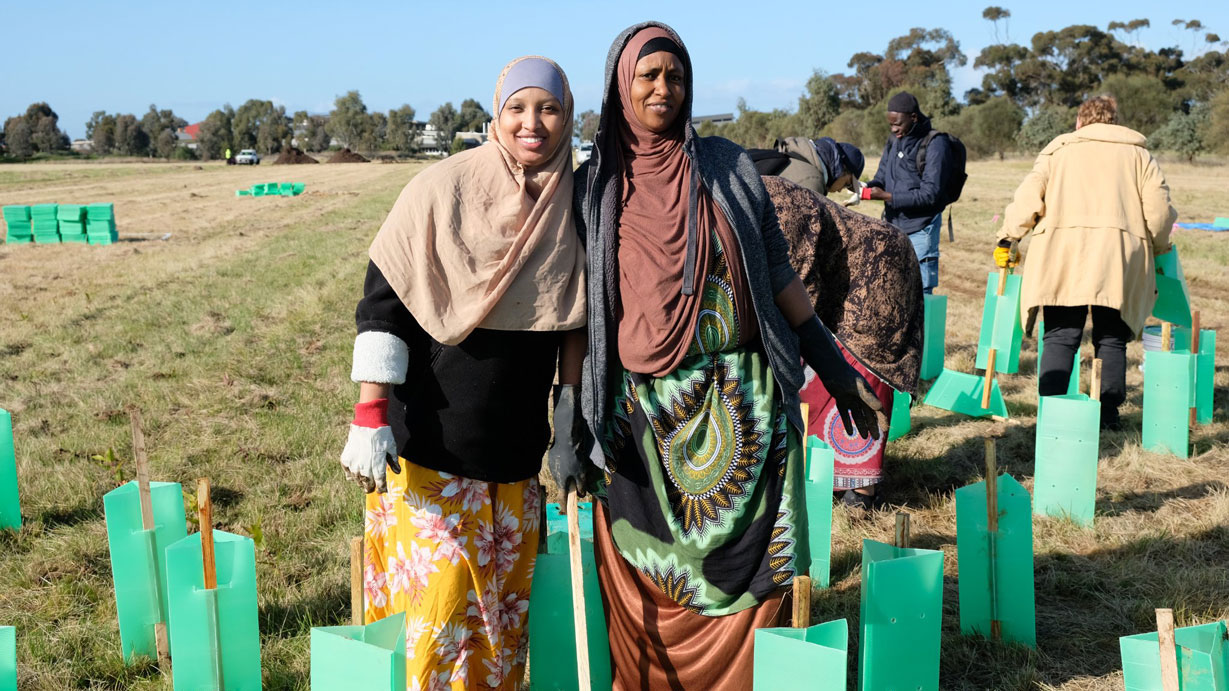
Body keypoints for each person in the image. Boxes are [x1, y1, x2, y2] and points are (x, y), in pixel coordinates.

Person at [573, 22, 881, 689]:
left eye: (674, 75)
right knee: (643, 572)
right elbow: (574, 311)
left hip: (745, 406)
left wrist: (832, 365)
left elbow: (776, 273)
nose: (662, 88)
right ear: (620, 84)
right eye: (647, 75)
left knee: (756, 573)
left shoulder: (726, 166)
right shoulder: (593, 183)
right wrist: (568, 418)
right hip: (638, 420)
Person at [339, 56, 588, 689]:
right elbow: (384, 302)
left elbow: (574, 326)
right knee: (438, 624)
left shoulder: (575, 205)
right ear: (496, 115)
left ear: (568, 117)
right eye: (517, 109)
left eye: (549, 109)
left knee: (499, 630)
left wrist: (567, 422)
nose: (532, 124)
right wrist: (372, 412)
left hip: (513, 462)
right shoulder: (438, 190)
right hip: (432, 455)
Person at [997, 94, 1176, 430]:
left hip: (1063, 254)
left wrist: (1009, 235)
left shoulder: (1058, 151)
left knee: (1061, 334)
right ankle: (1107, 414)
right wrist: (1161, 246)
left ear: (1079, 123)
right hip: (1119, 257)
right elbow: (1159, 211)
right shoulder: (1139, 155)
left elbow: (1027, 198)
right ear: (1113, 122)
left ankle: (1052, 413)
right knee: (1111, 335)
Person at [765, 175, 923, 508]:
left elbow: (796, 286)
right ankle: (827, 477)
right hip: (837, 278)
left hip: (880, 268)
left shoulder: (778, 204)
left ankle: (861, 491)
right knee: (819, 379)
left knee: (862, 371)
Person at [862, 91, 956, 293]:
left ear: (913, 117)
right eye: (891, 124)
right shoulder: (894, 140)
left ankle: (924, 327)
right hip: (893, 226)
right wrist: (863, 188)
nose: (894, 129)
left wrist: (887, 197)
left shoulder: (936, 144)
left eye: (898, 124)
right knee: (891, 291)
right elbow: (882, 176)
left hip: (922, 230)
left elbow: (930, 194)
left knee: (920, 295)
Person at [758, 136, 866, 200]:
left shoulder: (796, 155)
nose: (839, 190)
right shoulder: (812, 182)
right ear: (842, 170)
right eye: (847, 184)